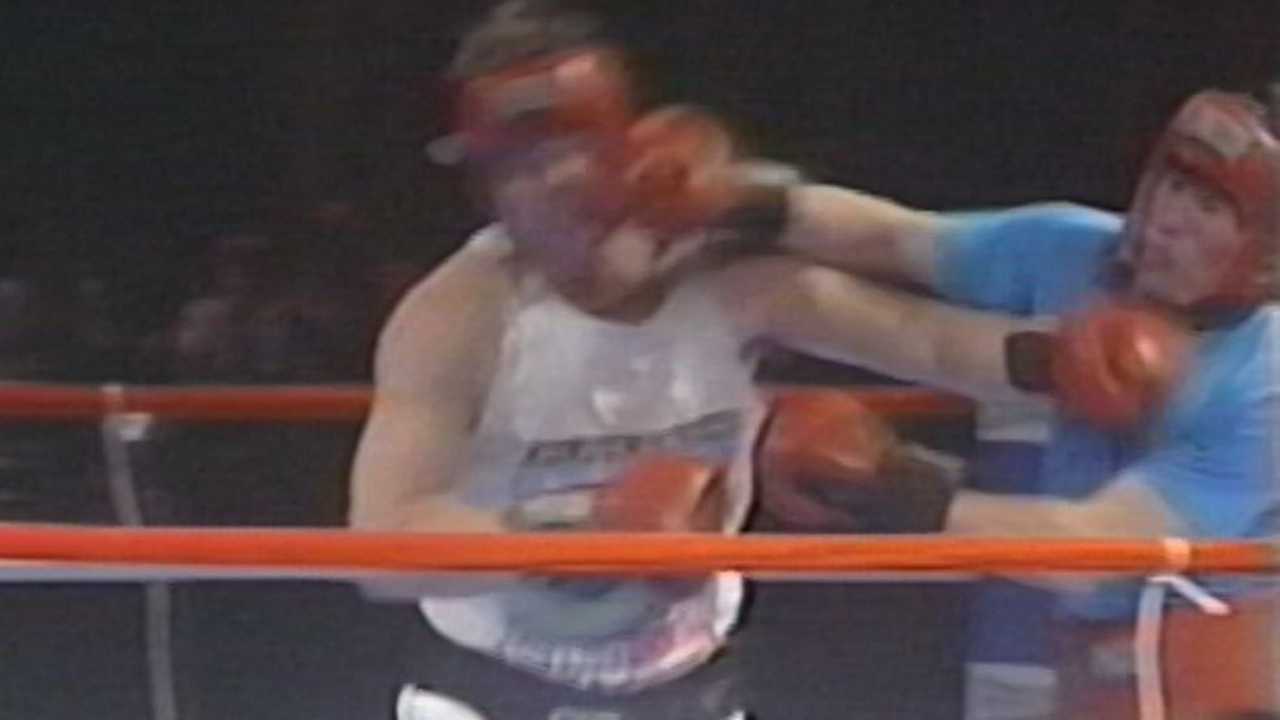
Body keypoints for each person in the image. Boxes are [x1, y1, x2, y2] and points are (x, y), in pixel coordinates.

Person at [347, 2, 1054, 718]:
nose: (560, 179)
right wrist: (578, 537)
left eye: (577, 144)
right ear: (486, 188)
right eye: (523, 163)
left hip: (688, 691)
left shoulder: (731, 281)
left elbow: (933, 342)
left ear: (632, 143)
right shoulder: (458, 314)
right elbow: (384, 540)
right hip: (487, 695)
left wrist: (1067, 357)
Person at [754, 87, 1280, 718]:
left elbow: (1101, 551)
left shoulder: (1267, 382)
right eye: (1172, 185)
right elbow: (890, 236)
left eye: (1209, 206)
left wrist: (893, 481)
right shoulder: (1073, 253)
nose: (1168, 219)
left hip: (1219, 679)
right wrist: (734, 202)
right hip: (1087, 664)